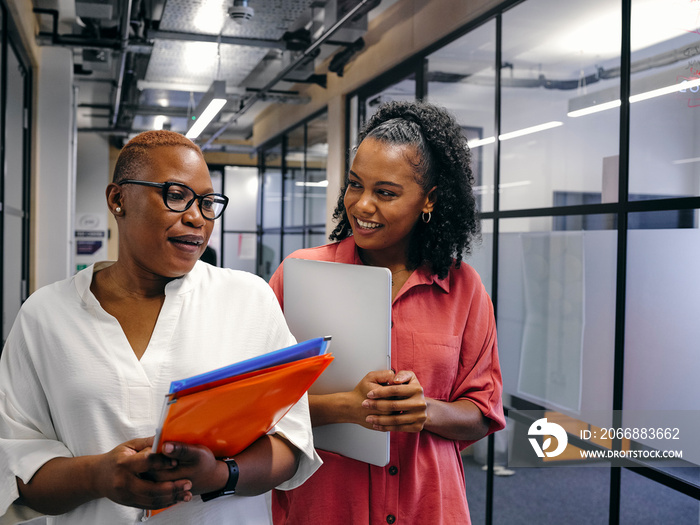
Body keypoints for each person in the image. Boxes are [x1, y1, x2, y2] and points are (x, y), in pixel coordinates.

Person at [0, 130, 321, 524]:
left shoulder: (248, 300)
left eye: (207, 203)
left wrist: (220, 475)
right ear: (118, 199)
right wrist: (100, 476)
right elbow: (21, 469)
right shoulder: (45, 315)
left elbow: (290, 444)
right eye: (175, 195)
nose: (196, 217)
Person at [269, 100, 506, 524]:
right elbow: (260, 402)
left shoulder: (464, 289)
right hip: (328, 506)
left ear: (428, 200)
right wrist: (346, 406)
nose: (361, 205)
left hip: (429, 507)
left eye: (385, 192)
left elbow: (482, 413)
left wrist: (426, 410)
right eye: (355, 185)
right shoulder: (299, 276)